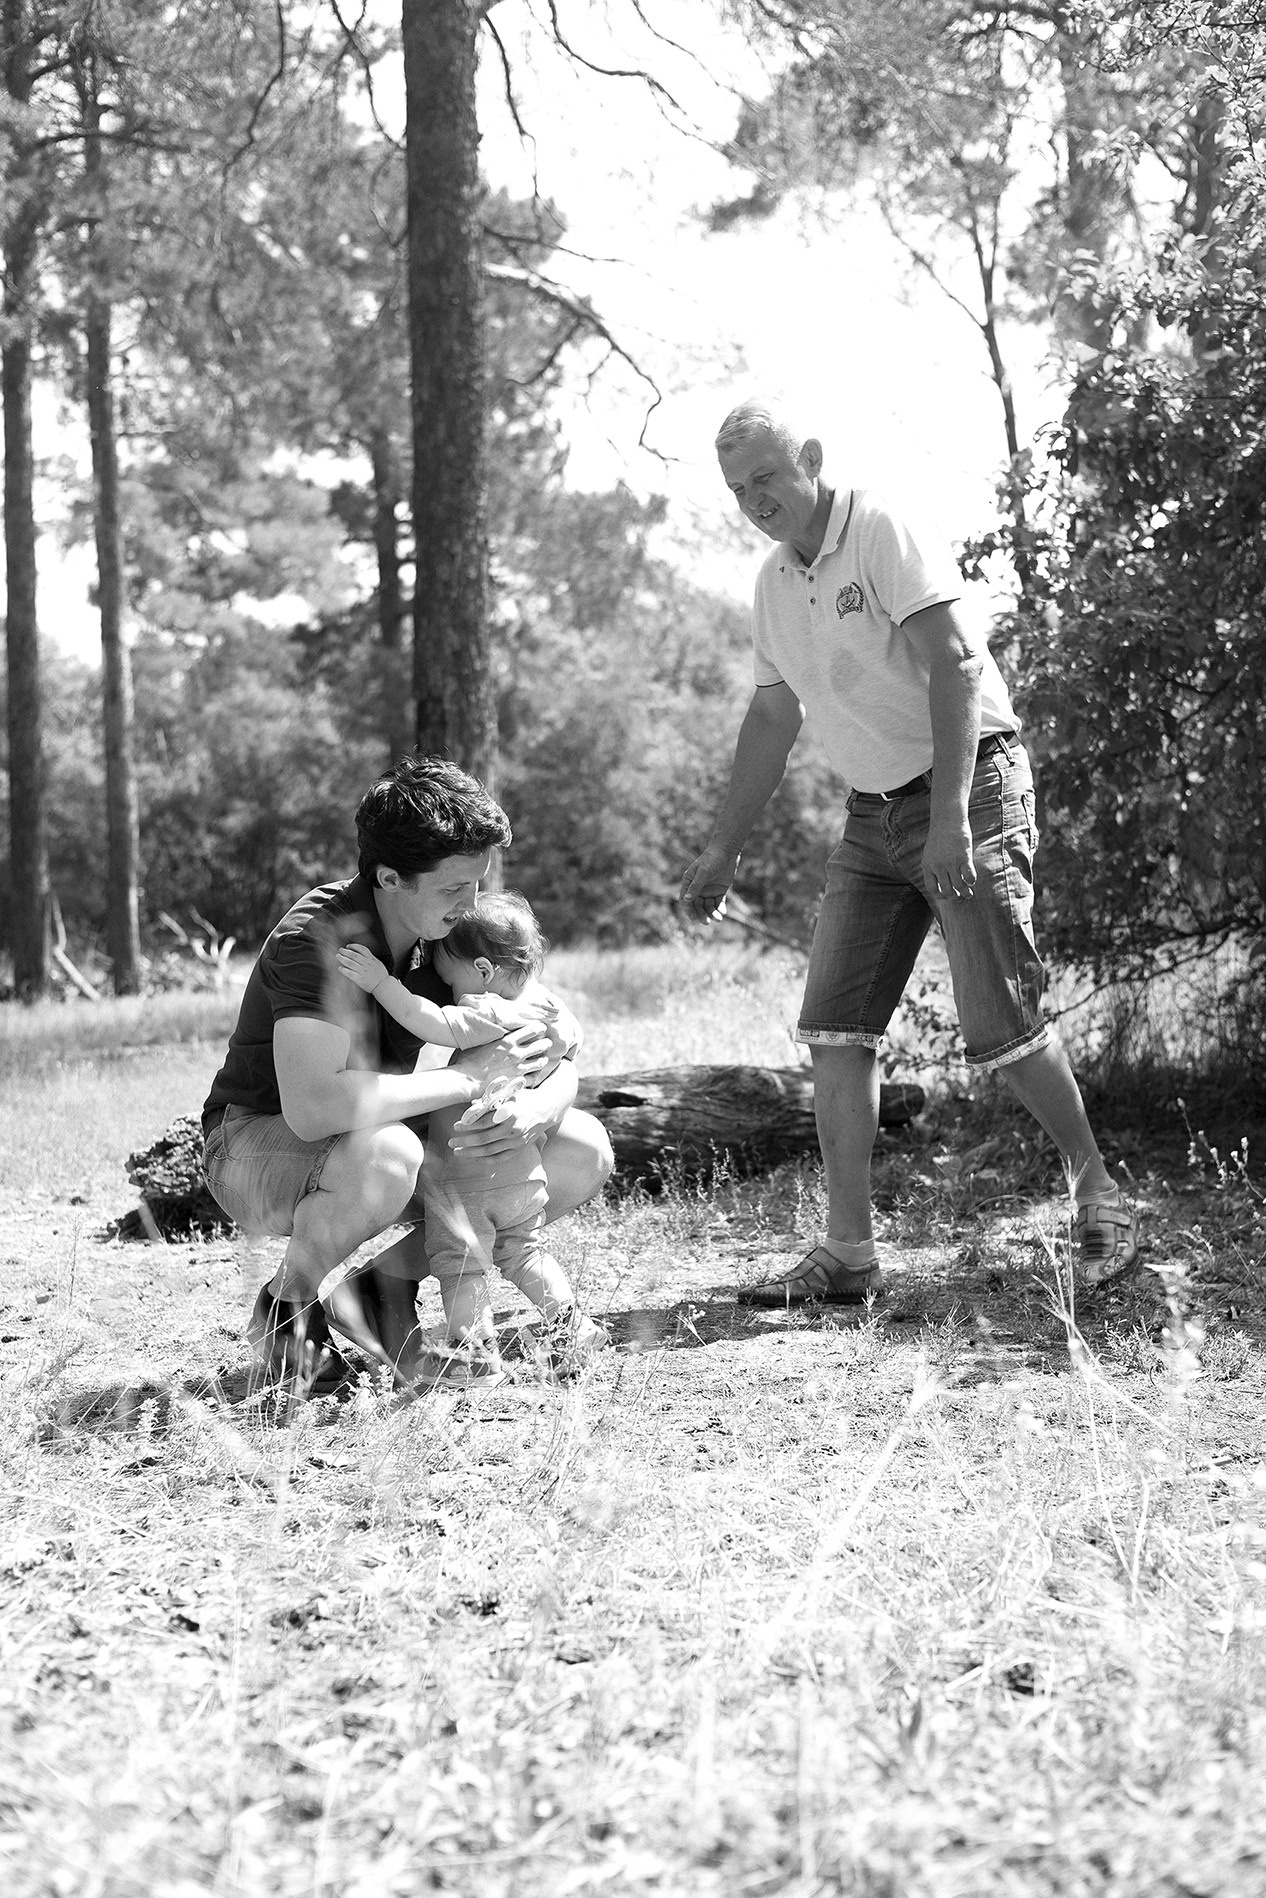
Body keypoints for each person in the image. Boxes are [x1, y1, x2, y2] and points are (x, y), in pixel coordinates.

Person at [679, 400, 1137, 1306]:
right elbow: (773, 715)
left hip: (970, 788)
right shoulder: (775, 581)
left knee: (998, 1019)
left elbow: (958, 664)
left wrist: (952, 821)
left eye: (767, 477)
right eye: (738, 490)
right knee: (835, 1030)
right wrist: (722, 849)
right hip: (871, 815)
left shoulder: (879, 528)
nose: (755, 500)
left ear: (809, 458)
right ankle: (848, 1255)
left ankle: (1100, 1190)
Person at [201, 755, 614, 1392]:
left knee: (581, 1148)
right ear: (390, 878)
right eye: (454, 889)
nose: (471, 906)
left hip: (375, 1133)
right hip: (257, 1145)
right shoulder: (318, 940)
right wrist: (472, 1084)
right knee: (389, 1154)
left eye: (477, 884)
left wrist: (545, 1102)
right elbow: (316, 1109)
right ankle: (286, 1313)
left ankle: (379, 1294)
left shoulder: (448, 931)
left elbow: (550, 1038)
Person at [338, 892, 608, 1383]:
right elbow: (574, 1037)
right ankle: (570, 1325)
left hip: (469, 1175)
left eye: (449, 977)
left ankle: (473, 1353)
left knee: (461, 1263)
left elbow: (431, 1021)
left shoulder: (486, 1009)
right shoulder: (547, 1008)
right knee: (523, 1251)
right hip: (524, 1172)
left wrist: (380, 983)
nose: (447, 988)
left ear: (483, 970)